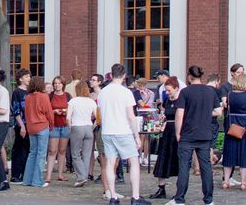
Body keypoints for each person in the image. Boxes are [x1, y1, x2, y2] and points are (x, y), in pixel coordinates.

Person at [98, 64, 151, 205]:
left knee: (110, 163)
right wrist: (136, 135)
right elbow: (130, 116)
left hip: (107, 131)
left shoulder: (103, 92)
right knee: (133, 162)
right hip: (123, 131)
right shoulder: (125, 92)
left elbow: (100, 112)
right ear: (123, 76)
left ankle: (113, 196)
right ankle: (135, 197)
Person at [172, 65, 222, 205]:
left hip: (187, 135)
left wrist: (178, 132)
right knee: (206, 168)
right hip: (205, 134)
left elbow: (179, 114)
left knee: (184, 168)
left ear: (189, 76)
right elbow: (218, 112)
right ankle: (208, 200)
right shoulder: (210, 92)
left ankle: (180, 199)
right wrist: (205, 113)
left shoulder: (185, 92)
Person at [148, 76, 181, 201]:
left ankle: (179, 190)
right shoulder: (167, 101)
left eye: (169, 90)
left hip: (177, 131)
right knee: (163, 159)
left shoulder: (181, 101)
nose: (167, 93)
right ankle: (161, 188)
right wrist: (162, 119)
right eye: (166, 91)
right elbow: (164, 114)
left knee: (177, 161)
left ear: (176, 88)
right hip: (167, 132)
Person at [221, 72, 246, 191]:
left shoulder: (230, 94)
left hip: (232, 127)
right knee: (244, 154)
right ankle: (243, 183)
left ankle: (225, 181)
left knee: (229, 154)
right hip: (244, 128)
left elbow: (227, 106)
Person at [22, 75, 53, 187]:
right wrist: (51, 125)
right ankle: (37, 181)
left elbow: (26, 113)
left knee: (32, 153)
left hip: (31, 127)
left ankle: (27, 180)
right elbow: (49, 113)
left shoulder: (28, 97)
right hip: (42, 126)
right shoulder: (44, 96)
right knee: (41, 154)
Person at [66, 78, 97, 187]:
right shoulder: (91, 101)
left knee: (75, 153)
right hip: (88, 127)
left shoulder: (73, 101)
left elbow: (68, 117)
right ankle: (85, 175)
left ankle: (81, 177)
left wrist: (70, 127)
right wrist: (93, 126)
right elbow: (97, 117)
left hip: (77, 127)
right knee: (87, 154)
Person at [46, 75, 70, 183]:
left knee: (62, 150)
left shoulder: (68, 96)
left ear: (63, 85)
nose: (57, 85)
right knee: (52, 151)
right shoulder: (49, 96)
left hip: (65, 125)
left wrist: (66, 111)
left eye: (59, 83)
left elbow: (72, 109)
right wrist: (54, 112)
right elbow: (45, 111)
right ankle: (48, 176)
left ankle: (60, 175)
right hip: (53, 126)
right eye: (55, 83)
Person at [9, 69, 31, 183]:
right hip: (21, 125)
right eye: (26, 77)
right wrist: (22, 126)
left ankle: (25, 174)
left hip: (31, 125)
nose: (29, 78)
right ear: (20, 79)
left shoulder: (31, 91)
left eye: (29, 76)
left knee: (28, 150)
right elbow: (16, 110)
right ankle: (15, 175)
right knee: (18, 150)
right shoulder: (17, 92)